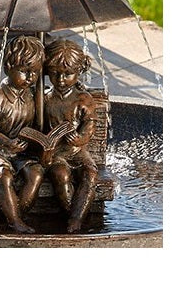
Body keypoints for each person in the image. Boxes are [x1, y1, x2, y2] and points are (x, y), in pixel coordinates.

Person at [0, 35, 45, 234]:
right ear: (8, 67)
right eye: (24, 71)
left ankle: (17, 214)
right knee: (4, 176)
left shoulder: (34, 94)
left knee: (36, 173)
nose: (30, 77)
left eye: (34, 72)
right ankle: (14, 222)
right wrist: (6, 142)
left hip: (23, 152)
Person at [44, 39, 98, 233]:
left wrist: (82, 138)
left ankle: (76, 219)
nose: (60, 79)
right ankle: (72, 214)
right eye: (55, 73)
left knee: (90, 173)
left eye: (68, 74)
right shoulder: (44, 98)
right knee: (61, 174)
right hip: (56, 153)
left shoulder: (83, 99)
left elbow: (90, 123)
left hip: (76, 151)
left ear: (78, 71)